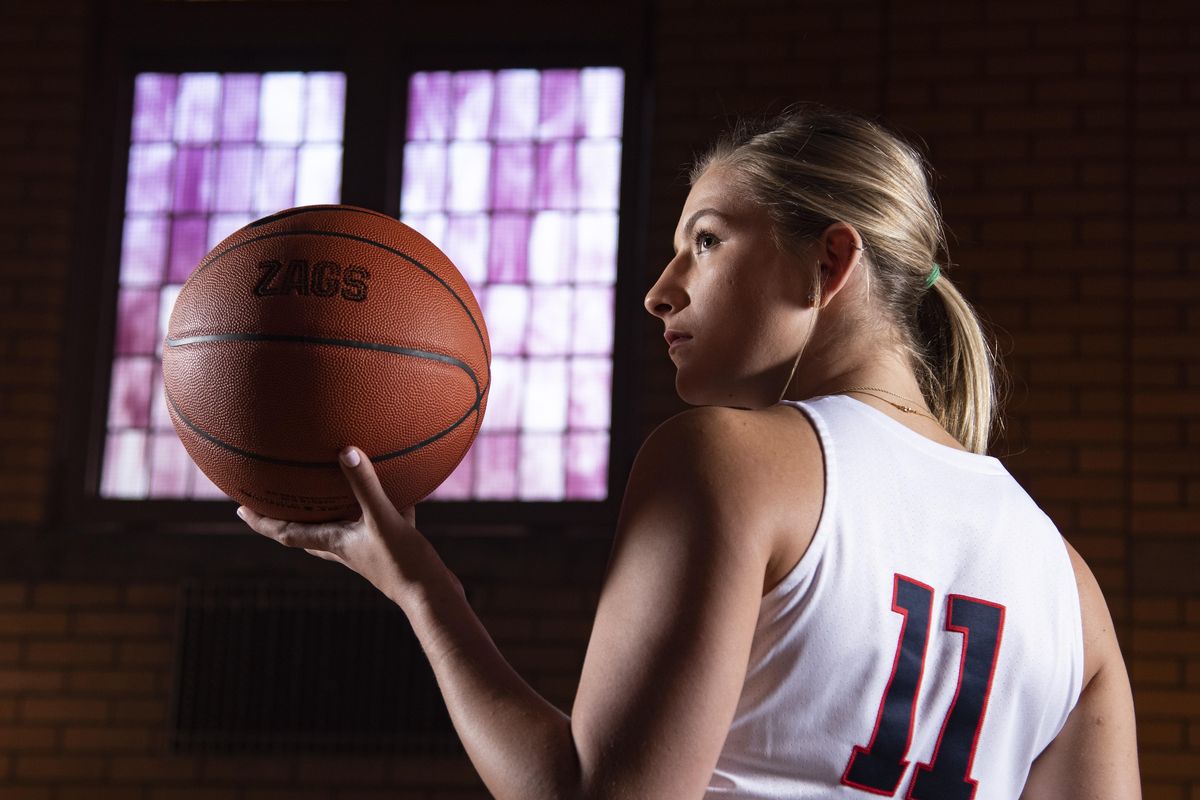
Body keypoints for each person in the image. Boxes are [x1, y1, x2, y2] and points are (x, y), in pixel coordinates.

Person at [237, 105, 1141, 799]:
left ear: (828, 264)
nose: (660, 293)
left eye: (705, 241)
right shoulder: (1071, 587)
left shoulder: (728, 461)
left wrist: (422, 590)